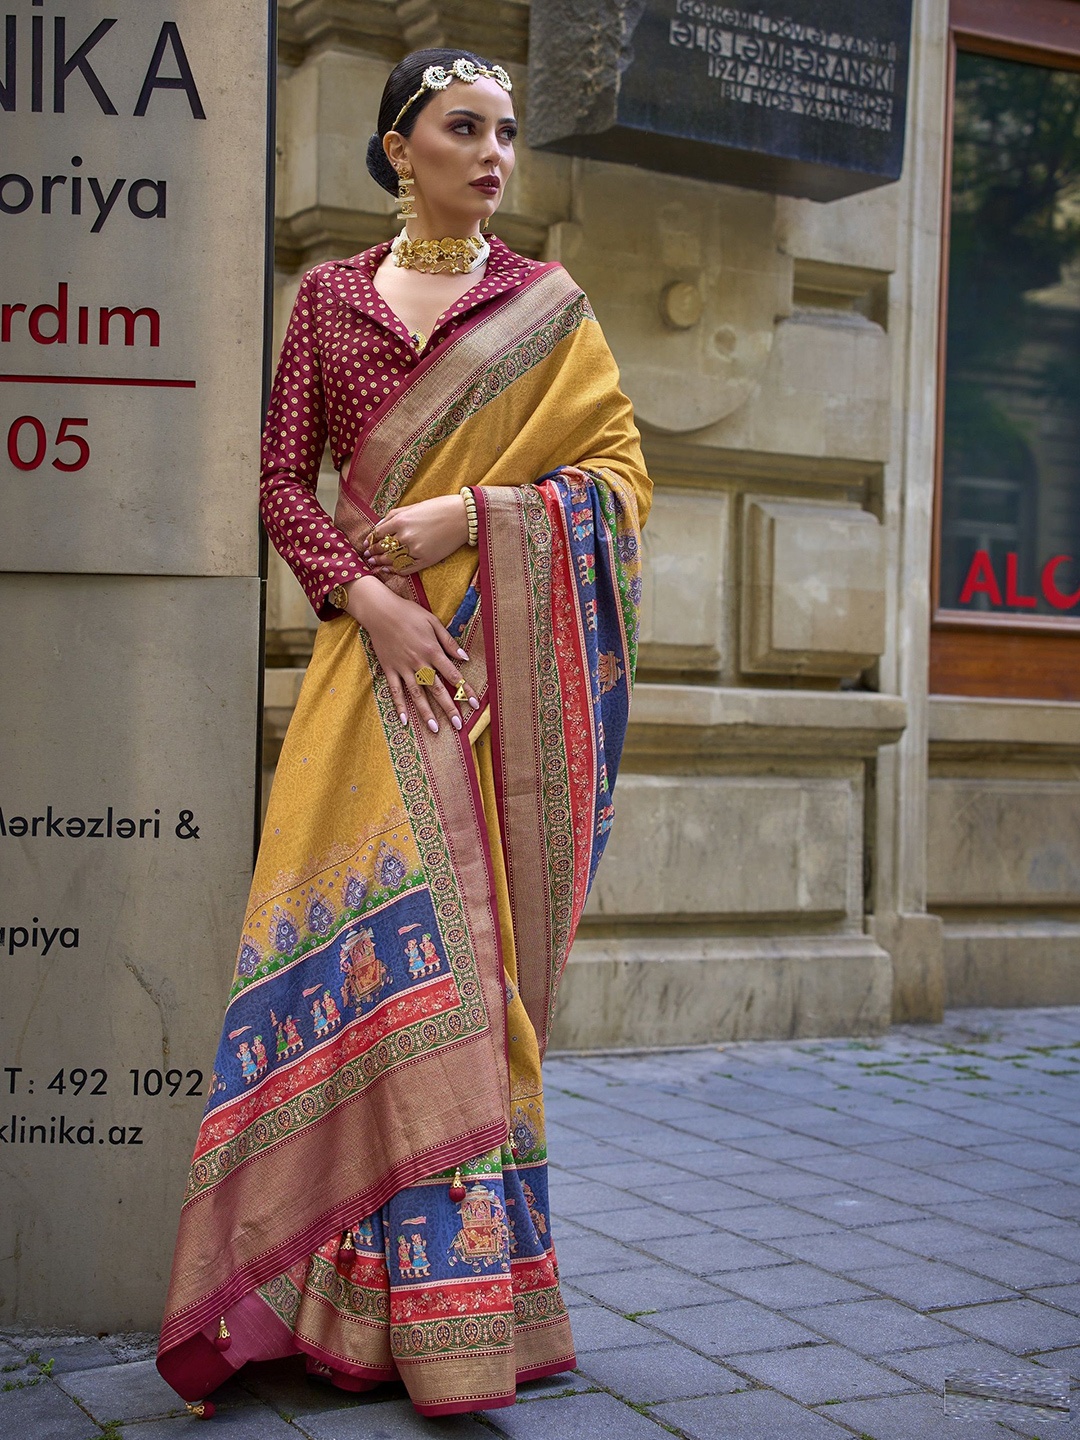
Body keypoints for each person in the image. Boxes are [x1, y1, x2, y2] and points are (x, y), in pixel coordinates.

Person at [156, 46, 651, 1418]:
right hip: (370, 682)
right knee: (361, 970)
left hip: (496, 685)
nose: (493, 154)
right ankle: (312, 1306)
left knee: (467, 977)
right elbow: (276, 476)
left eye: (504, 134)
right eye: (461, 128)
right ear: (398, 149)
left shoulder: (546, 309)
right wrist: (367, 593)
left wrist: (477, 520)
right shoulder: (328, 302)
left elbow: (616, 480)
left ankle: (458, 1324)